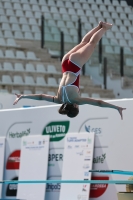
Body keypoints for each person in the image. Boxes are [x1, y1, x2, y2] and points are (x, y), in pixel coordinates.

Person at [13, 21, 126, 119]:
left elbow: (99, 103)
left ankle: (105, 27)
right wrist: (23, 96)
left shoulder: (76, 99)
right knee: (83, 43)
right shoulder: (58, 99)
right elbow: (41, 96)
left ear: (76, 107)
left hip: (74, 65)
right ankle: (99, 26)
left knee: (92, 44)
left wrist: (116, 108)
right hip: (65, 64)